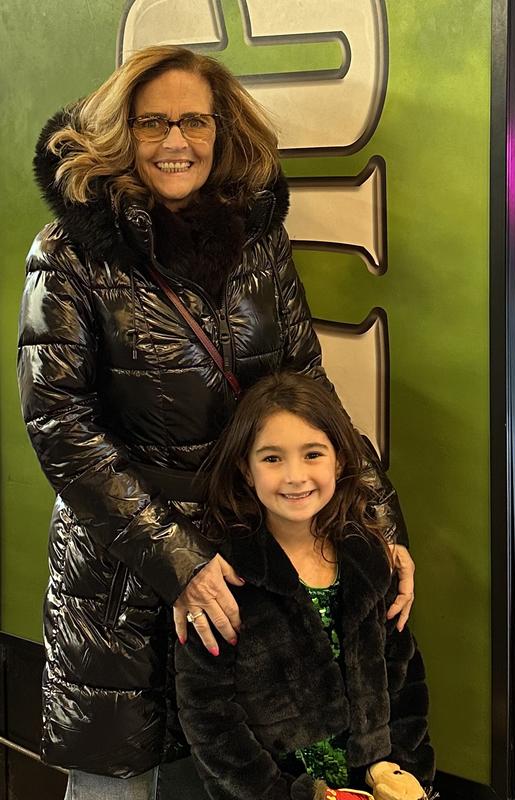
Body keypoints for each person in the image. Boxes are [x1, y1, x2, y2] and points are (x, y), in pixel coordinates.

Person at [18, 45, 415, 799]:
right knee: (119, 783)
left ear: (222, 129)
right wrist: (179, 562)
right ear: (121, 132)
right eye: (153, 123)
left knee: (236, 774)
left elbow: (309, 394)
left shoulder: (257, 239)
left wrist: (380, 523)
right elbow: (61, 428)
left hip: (246, 557)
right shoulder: (66, 254)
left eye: (194, 121)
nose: (176, 141)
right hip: (122, 578)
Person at [176, 372, 435, 800]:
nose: (295, 476)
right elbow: (209, 715)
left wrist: (404, 770)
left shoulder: (369, 560)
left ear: (340, 461)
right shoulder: (223, 581)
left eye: (312, 454)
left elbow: (404, 678)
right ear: (245, 469)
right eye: (272, 458)